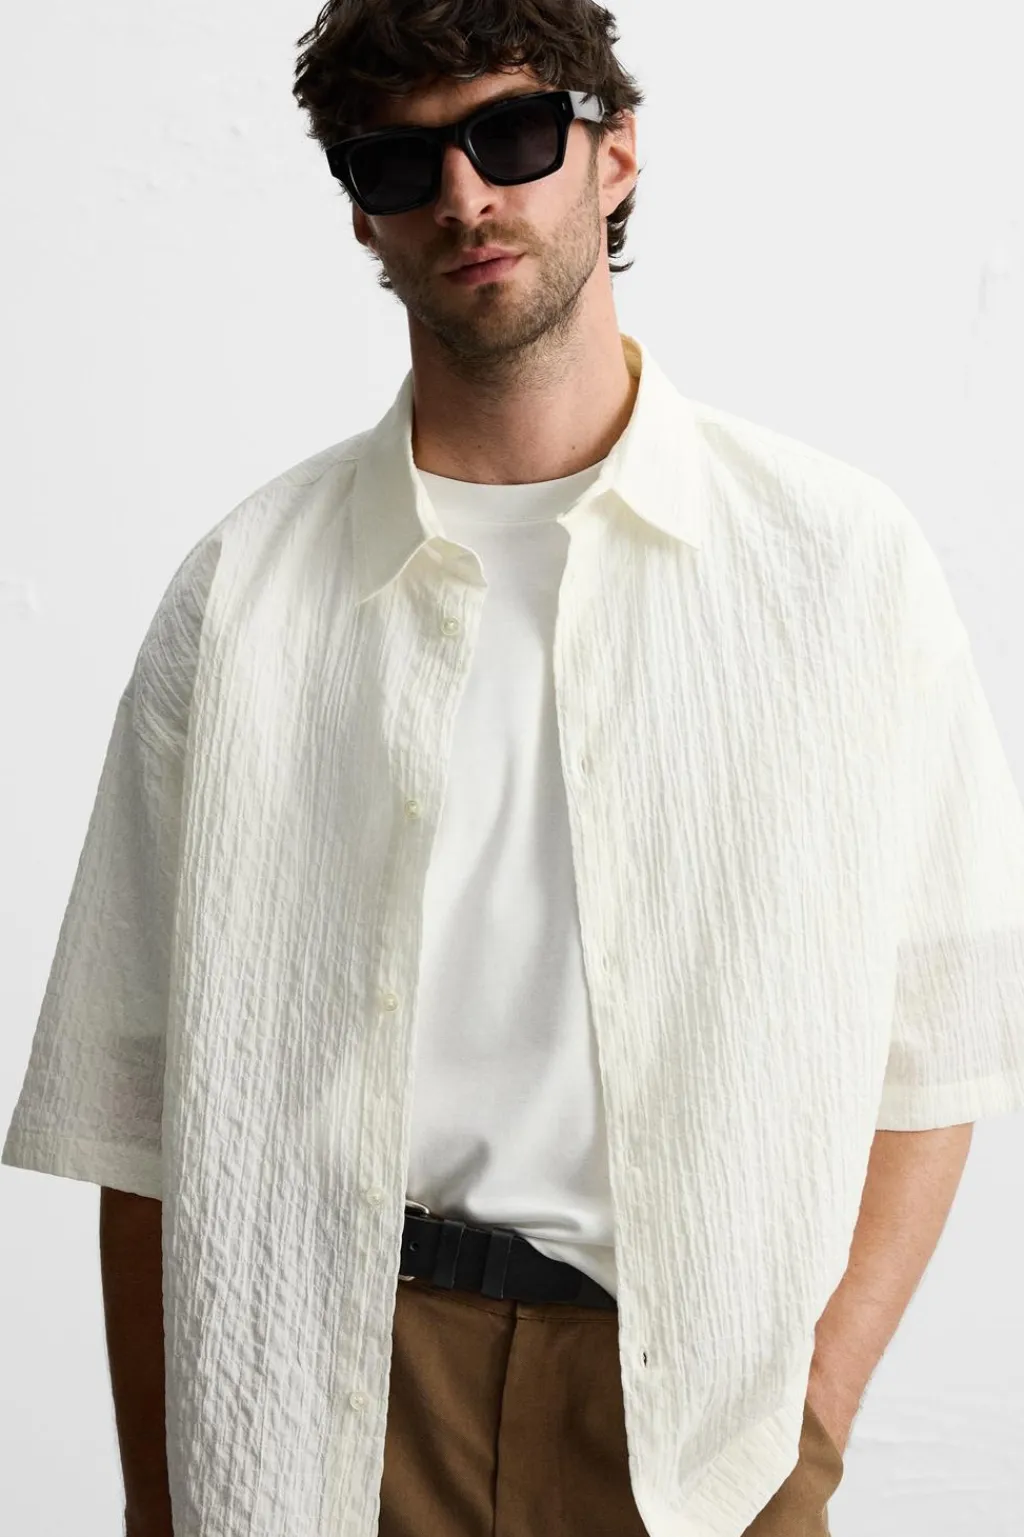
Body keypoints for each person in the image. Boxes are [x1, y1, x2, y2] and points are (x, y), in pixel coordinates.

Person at [5, 2, 1024, 1535]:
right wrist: (168, 1495)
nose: (465, 195)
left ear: (616, 156)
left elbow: (942, 1027)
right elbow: (133, 1108)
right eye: (400, 162)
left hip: (699, 1419)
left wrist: (815, 1401)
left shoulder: (835, 568)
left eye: (513, 135)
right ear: (361, 211)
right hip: (328, 1401)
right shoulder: (243, 597)